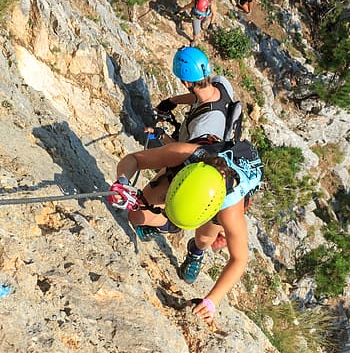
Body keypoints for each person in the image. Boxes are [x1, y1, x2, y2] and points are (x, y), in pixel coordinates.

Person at [107, 138, 263, 323]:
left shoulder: (230, 208)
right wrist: (123, 182)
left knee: (204, 238)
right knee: (136, 217)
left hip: (222, 196)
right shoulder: (183, 155)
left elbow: (240, 259)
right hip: (186, 175)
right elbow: (134, 159)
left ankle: (196, 252)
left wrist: (211, 301)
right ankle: (170, 225)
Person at [147, 47, 239, 144]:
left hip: (189, 152)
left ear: (186, 83)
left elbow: (184, 154)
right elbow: (198, 96)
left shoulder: (201, 127)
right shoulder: (222, 83)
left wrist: (162, 135)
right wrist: (172, 101)